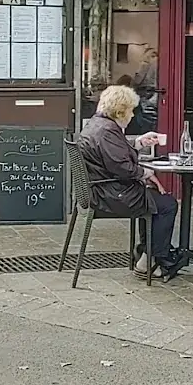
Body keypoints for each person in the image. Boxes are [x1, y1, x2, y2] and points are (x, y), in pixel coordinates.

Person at [78, 85, 178, 279]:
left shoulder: (97, 124)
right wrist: (145, 173)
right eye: (131, 110)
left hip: (101, 190)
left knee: (153, 200)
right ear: (120, 111)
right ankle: (149, 259)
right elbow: (122, 168)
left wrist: (138, 143)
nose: (132, 115)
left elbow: (113, 154)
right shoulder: (108, 131)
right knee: (167, 204)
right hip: (111, 195)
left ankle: (146, 252)